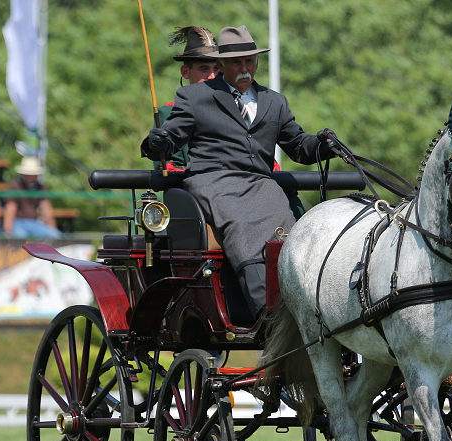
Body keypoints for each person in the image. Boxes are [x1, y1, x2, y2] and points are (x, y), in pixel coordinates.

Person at [142, 26, 333, 317]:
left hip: (261, 184)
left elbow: (298, 146)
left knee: (289, 235)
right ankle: (268, 316)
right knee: (244, 230)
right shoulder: (195, 97)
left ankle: (310, 311)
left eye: (249, 61)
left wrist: (323, 145)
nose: (244, 68)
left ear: (257, 63)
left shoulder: (274, 101)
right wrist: (158, 143)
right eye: (236, 62)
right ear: (221, 66)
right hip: (214, 182)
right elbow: (172, 135)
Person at [151, 26, 220, 172]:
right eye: (204, 69)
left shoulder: (239, 110)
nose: (212, 76)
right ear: (185, 72)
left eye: (217, 69)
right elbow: (168, 168)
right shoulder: (169, 113)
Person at [2, 157, 62, 239]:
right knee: (20, 238)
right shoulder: (15, 185)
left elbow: (46, 209)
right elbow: (11, 208)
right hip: (18, 222)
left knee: (55, 235)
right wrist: (8, 230)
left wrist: (53, 230)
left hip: (34, 222)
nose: (30, 175)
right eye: (28, 173)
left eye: (32, 173)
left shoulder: (41, 187)